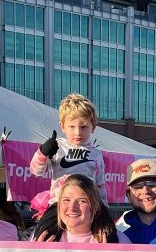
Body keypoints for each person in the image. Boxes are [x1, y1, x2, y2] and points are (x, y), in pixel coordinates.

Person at [29, 94, 108, 238]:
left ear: (93, 127)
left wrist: (104, 208)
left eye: (84, 127)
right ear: (62, 126)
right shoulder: (57, 147)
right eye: (72, 127)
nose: (78, 132)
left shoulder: (96, 153)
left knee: (109, 235)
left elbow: (100, 184)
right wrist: (43, 153)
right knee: (42, 233)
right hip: (59, 203)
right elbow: (36, 171)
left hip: (88, 205)